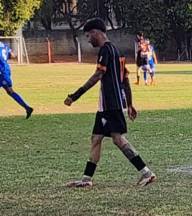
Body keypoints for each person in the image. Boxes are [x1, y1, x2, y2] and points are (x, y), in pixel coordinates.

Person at [63, 18, 155, 188]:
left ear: (95, 33)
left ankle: (147, 173)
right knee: (96, 138)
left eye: (88, 36)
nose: (88, 40)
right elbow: (125, 79)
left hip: (110, 103)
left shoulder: (105, 50)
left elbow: (98, 75)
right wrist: (129, 103)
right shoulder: (118, 51)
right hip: (107, 104)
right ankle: (86, 179)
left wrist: (75, 95)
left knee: (118, 139)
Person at [0, 31, 33, 121]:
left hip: (2, 71)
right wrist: (2, 58)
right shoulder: (3, 44)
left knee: (10, 91)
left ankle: (27, 108)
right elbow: (12, 56)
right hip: (3, 70)